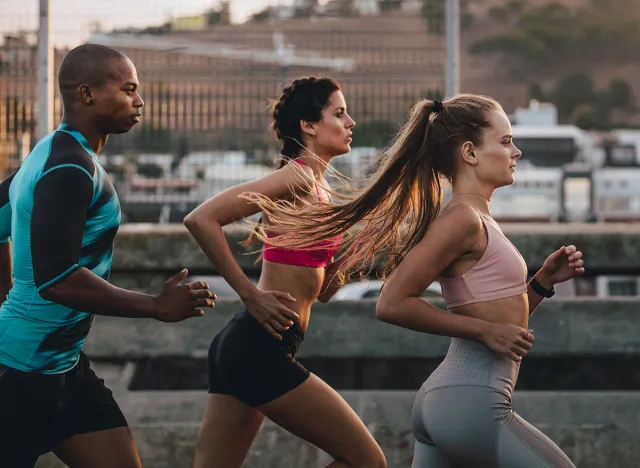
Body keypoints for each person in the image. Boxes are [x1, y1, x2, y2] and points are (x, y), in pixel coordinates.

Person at [252, 94, 584, 467]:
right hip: (471, 403)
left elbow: (498, 322)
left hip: (452, 400)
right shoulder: (462, 220)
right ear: (470, 153)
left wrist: (541, 284)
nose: (516, 152)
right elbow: (392, 303)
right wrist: (484, 333)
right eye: (506, 142)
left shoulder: (476, 219)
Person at [0, 44, 215, 468]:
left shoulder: (51, 154)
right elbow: (57, 279)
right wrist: (154, 306)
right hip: (19, 377)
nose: (140, 101)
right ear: (87, 94)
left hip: (63, 370)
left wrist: (6, 297)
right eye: (128, 89)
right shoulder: (68, 168)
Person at [184, 76, 387, 468]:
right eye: (339, 113)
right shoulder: (299, 177)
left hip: (252, 344)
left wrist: (365, 247)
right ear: (309, 126)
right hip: (259, 345)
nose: (351, 123)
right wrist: (249, 294)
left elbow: (323, 291)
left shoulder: (320, 191)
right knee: (368, 462)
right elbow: (201, 219)